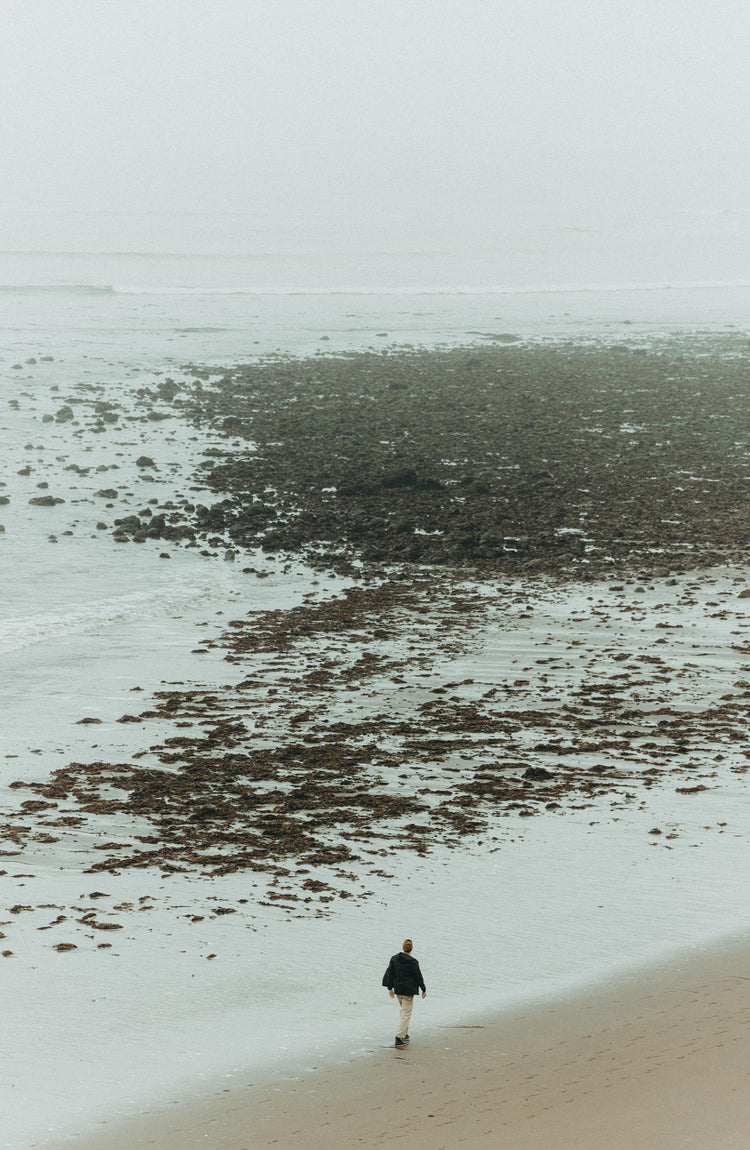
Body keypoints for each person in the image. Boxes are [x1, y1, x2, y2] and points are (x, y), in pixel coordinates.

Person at [382, 938, 427, 1046]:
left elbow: (389, 973)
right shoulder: (413, 961)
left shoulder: (394, 958)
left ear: (403, 947)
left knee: (404, 1012)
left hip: (398, 990)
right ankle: (399, 1037)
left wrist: (389, 988)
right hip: (408, 991)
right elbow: (418, 976)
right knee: (406, 1014)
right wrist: (423, 989)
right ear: (411, 949)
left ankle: (405, 1034)